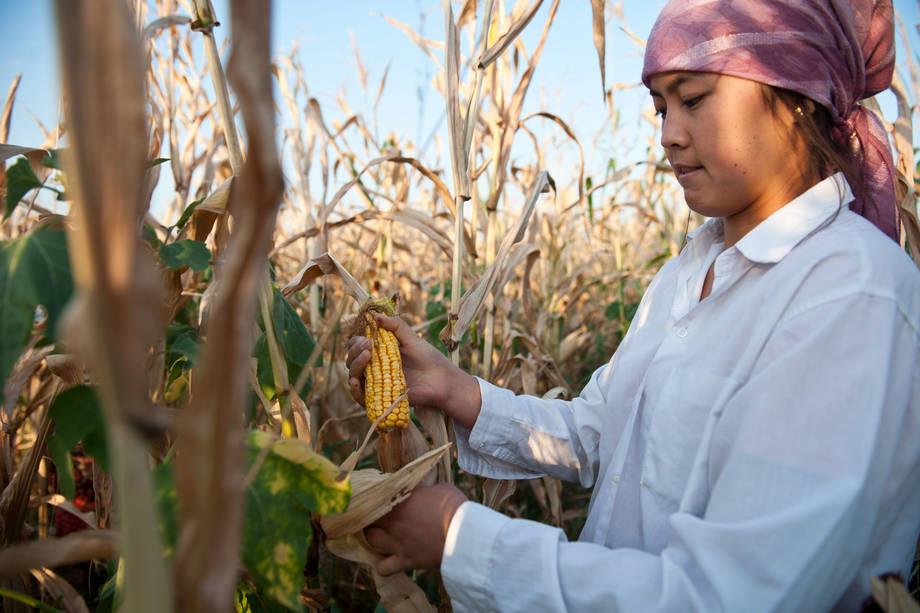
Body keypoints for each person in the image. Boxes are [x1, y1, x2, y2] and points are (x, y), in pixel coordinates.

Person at [344, 0, 920, 610]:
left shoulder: (852, 295)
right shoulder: (688, 271)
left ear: (797, 92)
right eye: (660, 107)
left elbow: (733, 596)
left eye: (693, 99)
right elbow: (604, 431)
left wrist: (461, 538)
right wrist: (458, 390)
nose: (668, 134)